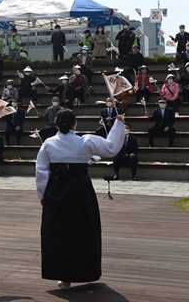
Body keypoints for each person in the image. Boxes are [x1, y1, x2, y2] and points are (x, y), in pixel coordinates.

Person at [36, 109, 125, 290]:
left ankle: (63, 277)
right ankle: (83, 271)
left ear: (56, 124)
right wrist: (119, 123)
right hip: (80, 189)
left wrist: (42, 195)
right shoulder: (86, 141)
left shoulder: (48, 143)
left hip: (56, 189)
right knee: (82, 230)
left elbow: (41, 171)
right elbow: (111, 148)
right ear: (75, 124)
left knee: (58, 232)